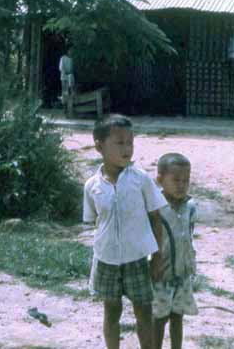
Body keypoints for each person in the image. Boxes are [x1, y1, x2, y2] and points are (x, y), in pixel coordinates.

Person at [83, 114, 165, 349]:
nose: (127, 148)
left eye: (130, 142)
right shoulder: (92, 185)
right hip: (106, 258)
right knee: (111, 311)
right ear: (99, 146)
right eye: (119, 143)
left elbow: (156, 218)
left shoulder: (141, 179)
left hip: (137, 257)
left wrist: (157, 257)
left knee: (143, 310)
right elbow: (93, 221)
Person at [152, 153, 199, 349]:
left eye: (185, 181)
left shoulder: (190, 206)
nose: (181, 185)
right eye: (176, 180)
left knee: (178, 316)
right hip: (161, 272)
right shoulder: (156, 208)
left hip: (182, 273)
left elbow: (188, 236)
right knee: (159, 318)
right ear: (160, 180)